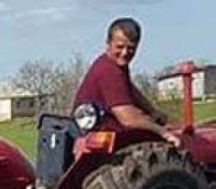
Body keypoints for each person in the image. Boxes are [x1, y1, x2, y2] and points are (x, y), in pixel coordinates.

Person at [73, 17, 180, 148]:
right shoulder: (108, 70)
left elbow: (130, 89)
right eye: (120, 47)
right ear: (108, 43)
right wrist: (164, 132)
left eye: (131, 48)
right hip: (102, 132)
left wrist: (152, 111)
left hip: (109, 127)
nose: (124, 53)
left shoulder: (116, 65)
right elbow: (128, 118)